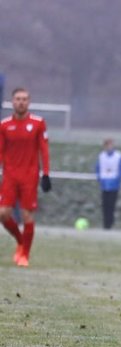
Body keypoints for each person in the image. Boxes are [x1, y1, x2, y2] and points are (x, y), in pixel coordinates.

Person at [0, 87, 51, 267]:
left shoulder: (38, 123)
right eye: (18, 99)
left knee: (27, 215)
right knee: (3, 213)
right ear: (12, 102)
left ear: (29, 102)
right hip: (10, 176)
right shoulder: (4, 125)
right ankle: (21, 241)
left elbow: (44, 149)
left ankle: (24, 256)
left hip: (30, 176)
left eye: (24, 99)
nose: (21, 102)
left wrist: (46, 173)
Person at [95, 139, 121, 230]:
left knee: (111, 205)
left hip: (114, 185)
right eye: (107, 145)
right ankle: (105, 224)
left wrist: (119, 178)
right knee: (105, 205)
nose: (109, 147)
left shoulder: (118, 156)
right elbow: (97, 168)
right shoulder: (101, 156)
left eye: (110, 145)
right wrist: (99, 178)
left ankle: (110, 223)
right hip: (104, 184)